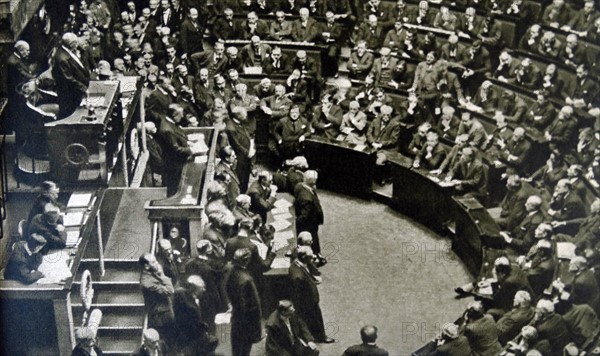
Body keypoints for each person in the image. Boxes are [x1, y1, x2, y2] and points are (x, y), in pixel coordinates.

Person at [289, 246, 335, 344]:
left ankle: (314, 336)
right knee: (315, 319)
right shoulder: (298, 276)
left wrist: (312, 279)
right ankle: (320, 336)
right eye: (311, 257)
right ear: (304, 257)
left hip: (308, 299)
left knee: (312, 319)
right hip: (308, 301)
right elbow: (299, 292)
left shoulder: (297, 263)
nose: (313, 258)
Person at [226, 248, 263, 356]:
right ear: (247, 260)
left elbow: (228, 288)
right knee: (244, 349)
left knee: (237, 348)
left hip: (236, 318)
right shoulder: (246, 279)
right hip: (246, 321)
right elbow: (250, 304)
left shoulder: (233, 273)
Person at [173, 275, 219, 355]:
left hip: (190, 335)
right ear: (195, 288)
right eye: (202, 287)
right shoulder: (188, 303)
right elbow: (192, 322)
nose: (204, 290)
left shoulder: (188, 297)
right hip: (190, 337)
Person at [139, 253, 176, 347]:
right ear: (146, 266)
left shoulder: (153, 272)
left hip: (166, 312)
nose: (157, 263)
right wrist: (162, 274)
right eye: (154, 262)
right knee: (167, 344)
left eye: (156, 260)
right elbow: (170, 290)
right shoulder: (147, 282)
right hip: (160, 318)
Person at [52, 32, 91, 119]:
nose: (78, 44)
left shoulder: (68, 51)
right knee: (72, 116)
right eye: (76, 42)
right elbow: (68, 78)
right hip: (70, 95)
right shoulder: (61, 58)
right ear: (71, 44)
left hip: (77, 91)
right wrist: (83, 88)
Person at [294, 170, 326, 265]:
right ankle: (314, 257)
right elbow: (304, 215)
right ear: (313, 182)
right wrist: (296, 223)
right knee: (312, 239)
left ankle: (317, 254)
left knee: (315, 239)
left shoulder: (299, 186)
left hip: (311, 220)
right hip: (310, 223)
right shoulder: (307, 198)